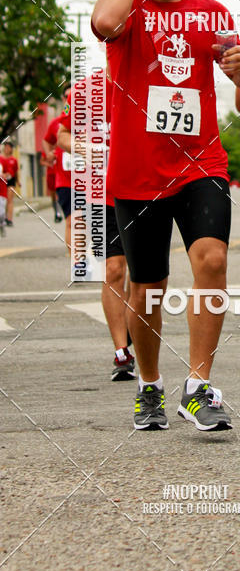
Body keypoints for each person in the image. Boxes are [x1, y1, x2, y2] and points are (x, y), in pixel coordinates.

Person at [92, 0, 240, 433]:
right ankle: (149, 385)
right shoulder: (127, 8)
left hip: (200, 161)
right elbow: (101, 24)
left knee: (212, 257)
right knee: (148, 287)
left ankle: (199, 386)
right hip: (137, 170)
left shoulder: (211, 11)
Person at [57, 74, 135, 381]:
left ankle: (136, 334)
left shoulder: (145, 80)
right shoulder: (85, 89)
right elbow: (63, 134)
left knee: (142, 276)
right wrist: (81, 146)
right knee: (114, 268)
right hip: (101, 195)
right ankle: (121, 352)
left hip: (142, 191)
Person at [43, 89, 72, 251]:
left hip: (90, 180)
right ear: (63, 99)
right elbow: (46, 141)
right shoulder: (56, 123)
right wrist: (49, 154)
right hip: (65, 180)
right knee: (72, 221)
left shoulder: (92, 119)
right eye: (67, 96)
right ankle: (77, 262)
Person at [1, 142, 19, 226]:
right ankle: (3, 217)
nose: (7, 149)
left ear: (11, 149)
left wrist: (18, 181)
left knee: (10, 199)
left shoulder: (14, 160)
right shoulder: (1, 158)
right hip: (1, 181)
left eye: (8, 147)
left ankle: (9, 219)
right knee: (3, 200)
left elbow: (16, 172)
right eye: (6, 147)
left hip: (11, 181)